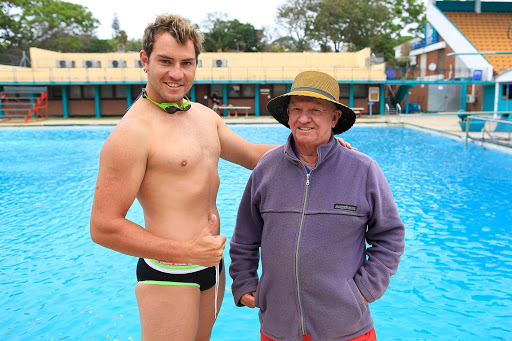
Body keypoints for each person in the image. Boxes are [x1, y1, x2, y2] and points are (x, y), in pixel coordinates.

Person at [90, 13, 354, 341]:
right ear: (145, 60)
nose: (176, 73)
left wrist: (319, 146)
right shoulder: (132, 134)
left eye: (186, 63)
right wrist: (186, 252)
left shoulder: (202, 117)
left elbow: (254, 157)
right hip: (170, 272)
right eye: (165, 61)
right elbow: (103, 227)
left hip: (211, 267)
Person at [229, 71, 405, 341]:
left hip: (347, 330)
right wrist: (244, 283)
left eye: (315, 110)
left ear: (334, 118)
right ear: (287, 115)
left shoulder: (363, 170)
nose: (303, 118)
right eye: (296, 109)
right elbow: (245, 236)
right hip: (278, 329)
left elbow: (390, 236)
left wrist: (365, 290)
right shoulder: (266, 168)